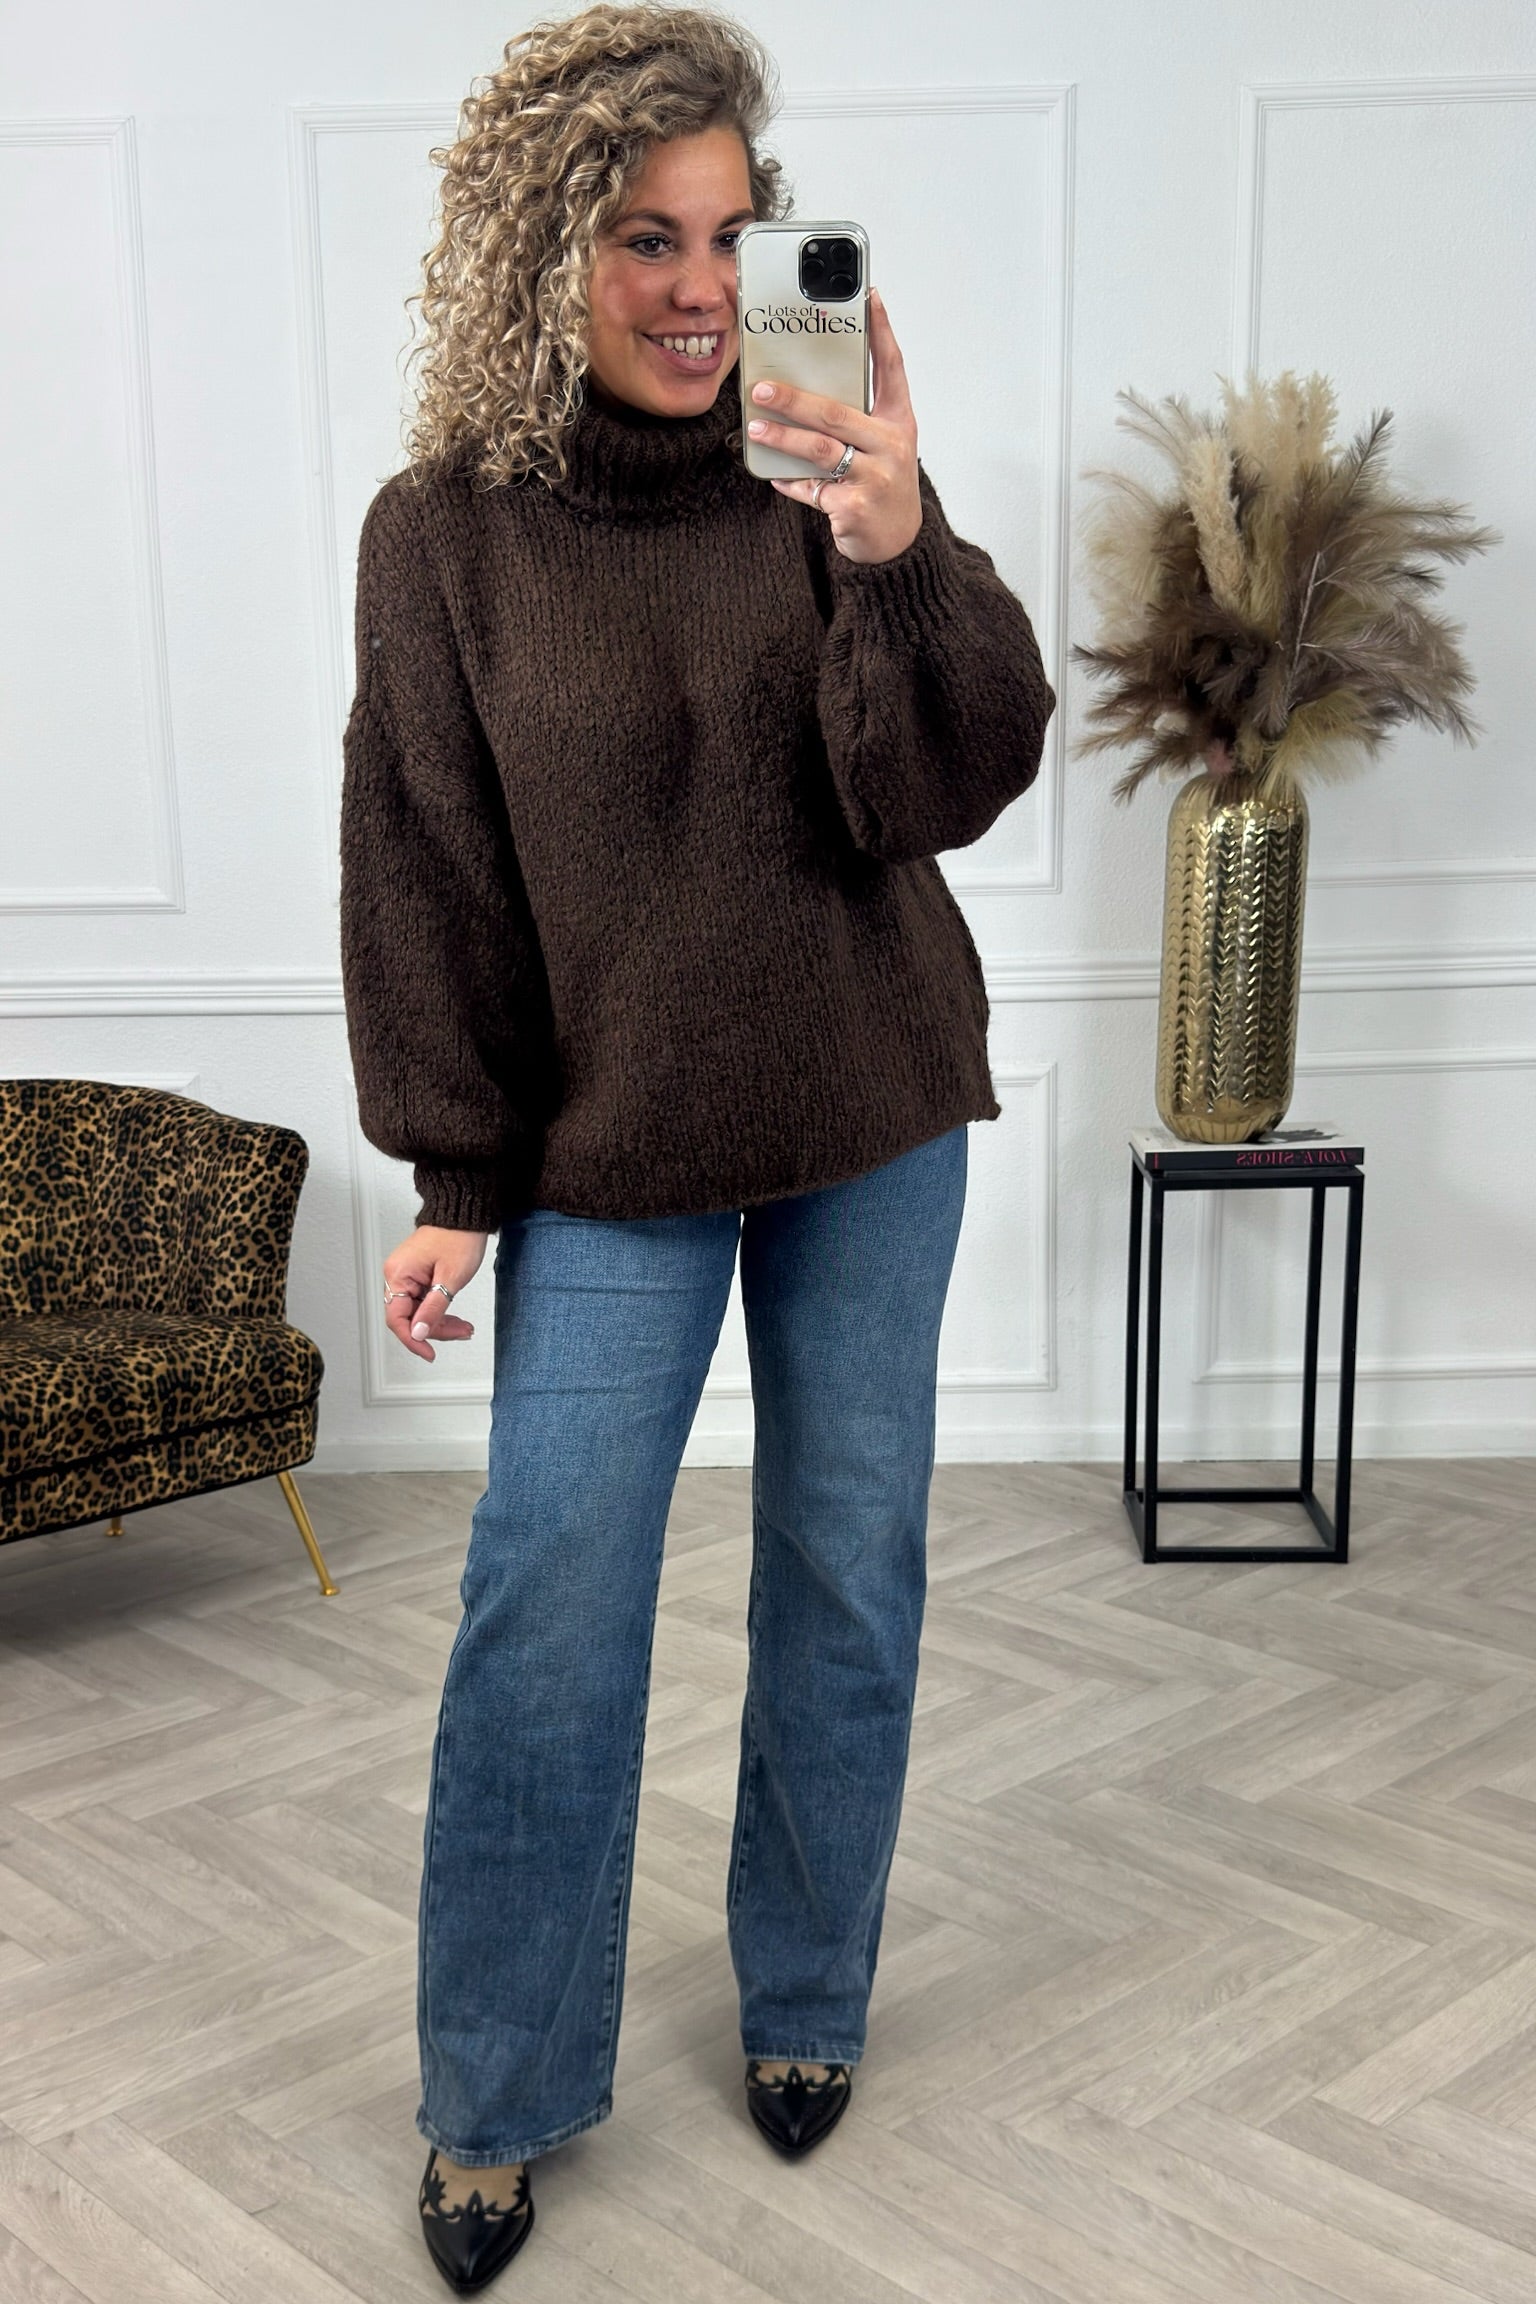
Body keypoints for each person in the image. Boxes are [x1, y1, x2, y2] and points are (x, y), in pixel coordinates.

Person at [337, 3, 1055, 2288]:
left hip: (871, 1108)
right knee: (549, 1603)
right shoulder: (443, 538)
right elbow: (426, 864)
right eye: (646, 237)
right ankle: (495, 2092)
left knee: (848, 1572)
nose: (700, 288)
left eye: (736, 236)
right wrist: (457, 1177)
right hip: (610, 1143)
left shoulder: (820, 472)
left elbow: (952, 779)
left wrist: (897, 541)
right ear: (544, 251)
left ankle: (809, 1996)